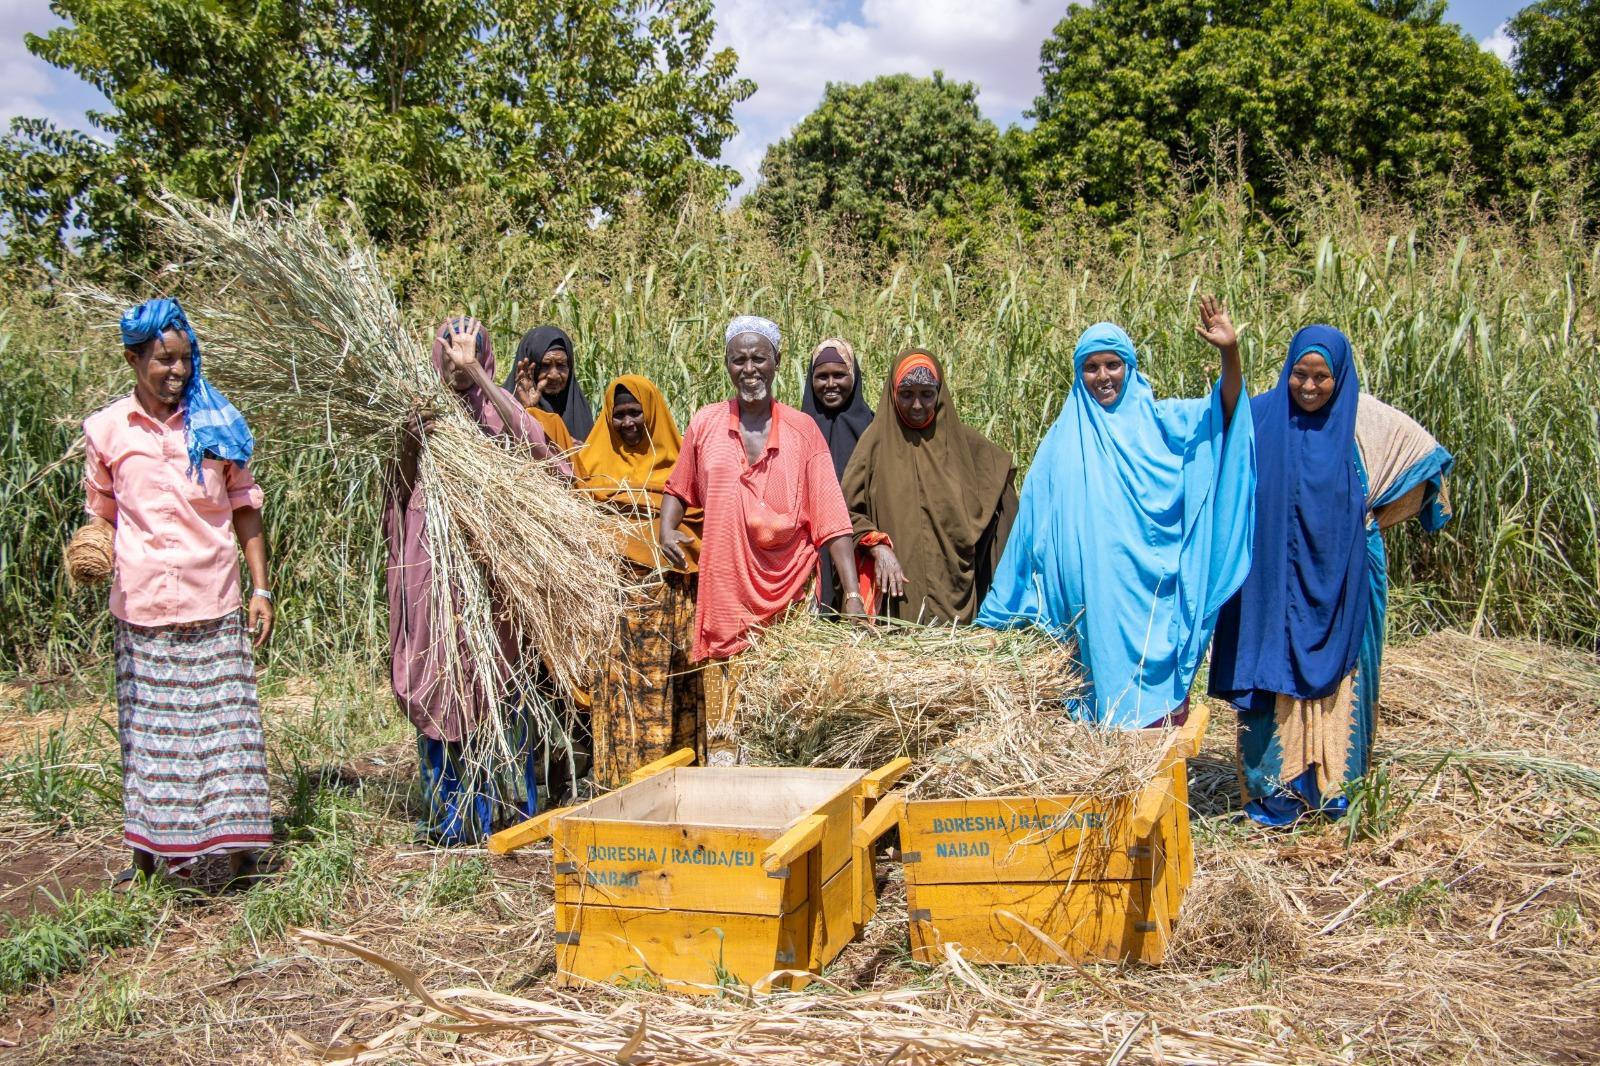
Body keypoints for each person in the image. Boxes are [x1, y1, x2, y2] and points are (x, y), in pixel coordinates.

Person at [1209, 325, 1453, 826]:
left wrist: (1373, 519)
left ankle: (1334, 792)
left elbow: (1427, 463)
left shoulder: (1362, 425)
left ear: (1339, 378)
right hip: (1271, 580)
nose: (1310, 386)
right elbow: (1223, 426)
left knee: (1345, 679)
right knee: (1269, 671)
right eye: (1300, 374)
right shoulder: (1263, 416)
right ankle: (1273, 796)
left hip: (1345, 582)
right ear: (1287, 371)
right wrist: (1230, 353)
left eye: (1322, 377)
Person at [977, 299, 1256, 729]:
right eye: (1091, 367)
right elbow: (1031, 529)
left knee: (1149, 721)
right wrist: (1002, 606)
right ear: (1078, 373)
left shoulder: (1161, 421)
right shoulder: (1061, 441)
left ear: (1130, 366)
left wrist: (1229, 353)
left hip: (1149, 601)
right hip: (1087, 608)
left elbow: (1225, 411)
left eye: (1113, 364)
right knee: (1093, 717)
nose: (1103, 377)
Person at [84, 298, 273, 888]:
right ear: (133, 359)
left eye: (186, 359)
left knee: (225, 735)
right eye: (164, 360)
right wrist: (90, 547)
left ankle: (240, 858)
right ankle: (148, 860)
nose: (178, 372)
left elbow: (244, 509)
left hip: (213, 597)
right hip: (142, 605)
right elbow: (102, 513)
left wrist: (261, 588)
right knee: (150, 737)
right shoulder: (107, 430)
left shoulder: (216, 425)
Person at [387, 317, 571, 844]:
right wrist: (414, 422)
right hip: (431, 571)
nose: (457, 364)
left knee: (497, 682)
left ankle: (506, 814)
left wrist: (480, 377)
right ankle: (454, 818)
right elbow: (397, 486)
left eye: (469, 353)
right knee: (440, 678)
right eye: (449, 353)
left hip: (489, 580)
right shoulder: (418, 417)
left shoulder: (497, 413)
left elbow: (545, 455)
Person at [659, 316, 865, 763]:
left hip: (788, 599)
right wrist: (666, 527)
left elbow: (832, 518)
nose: (749, 369)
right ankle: (728, 809)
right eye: (739, 360)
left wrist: (851, 592)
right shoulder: (706, 424)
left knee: (783, 724)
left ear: (776, 363)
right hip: (725, 592)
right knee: (726, 724)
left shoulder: (802, 432)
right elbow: (679, 486)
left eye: (759, 358)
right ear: (727, 366)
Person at [577, 375, 705, 786]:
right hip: (614, 605)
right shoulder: (591, 462)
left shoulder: (680, 462)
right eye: (620, 415)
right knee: (619, 693)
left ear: (651, 413)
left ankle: (676, 782)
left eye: (636, 413)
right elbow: (576, 520)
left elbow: (700, 519)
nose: (628, 422)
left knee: (669, 687)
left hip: (668, 603)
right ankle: (619, 784)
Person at [842, 348, 1017, 623]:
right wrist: (878, 546)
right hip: (897, 599)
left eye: (927, 394)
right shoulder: (875, 444)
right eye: (907, 394)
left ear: (940, 393)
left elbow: (1001, 486)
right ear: (892, 393)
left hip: (955, 591)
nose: (916, 405)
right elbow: (844, 512)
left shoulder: (963, 443)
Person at [800, 338, 874, 611]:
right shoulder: (797, 428)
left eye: (839, 375)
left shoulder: (873, 429)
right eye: (822, 377)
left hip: (861, 540)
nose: (830, 384)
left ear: (853, 377)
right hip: (811, 545)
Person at [505, 325, 594, 442]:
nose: (554, 375)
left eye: (561, 365)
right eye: (545, 366)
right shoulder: (503, 406)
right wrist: (529, 411)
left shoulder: (578, 411)